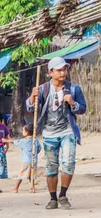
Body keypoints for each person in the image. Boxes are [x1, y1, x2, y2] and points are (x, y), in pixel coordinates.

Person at [26, 56, 87, 209]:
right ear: (50, 72)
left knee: (68, 162)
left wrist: (72, 102)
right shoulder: (43, 89)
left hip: (68, 131)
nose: (63, 72)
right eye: (59, 70)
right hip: (49, 133)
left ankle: (63, 195)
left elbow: (83, 108)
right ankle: (52, 198)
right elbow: (30, 109)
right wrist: (32, 97)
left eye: (64, 69)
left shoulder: (74, 89)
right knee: (51, 166)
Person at [2, 124, 41, 193]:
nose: (22, 132)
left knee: (21, 174)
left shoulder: (24, 141)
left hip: (26, 161)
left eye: (23, 130)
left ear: (27, 132)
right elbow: (39, 149)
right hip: (34, 161)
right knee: (31, 175)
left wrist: (5, 140)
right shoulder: (36, 140)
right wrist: (35, 154)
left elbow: (13, 142)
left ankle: (16, 188)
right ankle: (33, 188)